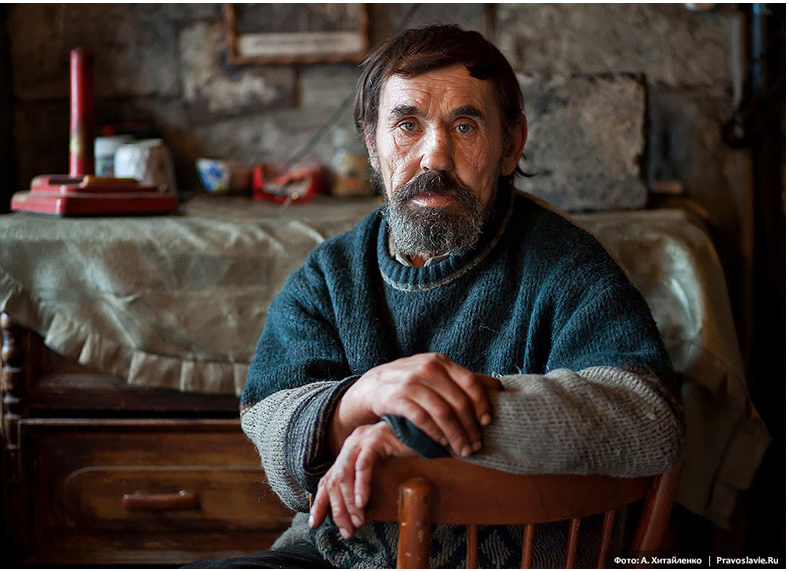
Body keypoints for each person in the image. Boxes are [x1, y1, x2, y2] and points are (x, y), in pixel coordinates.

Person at [187, 24, 685, 568]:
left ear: (510, 144)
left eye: (465, 126)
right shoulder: (330, 276)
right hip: (346, 558)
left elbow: (651, 418)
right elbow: (271, 430)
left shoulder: (568, 268)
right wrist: (359, 399)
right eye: (407, 125)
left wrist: (423, 428)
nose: (435, 158)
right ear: (371, 143)